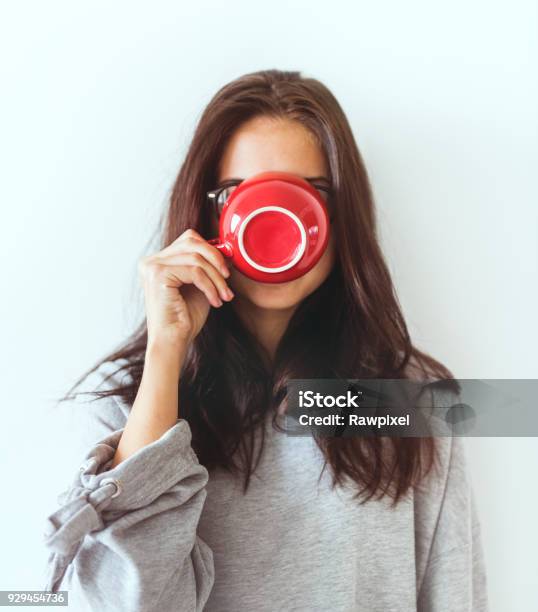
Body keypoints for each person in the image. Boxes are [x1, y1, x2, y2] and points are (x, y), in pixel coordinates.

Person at [43, 69, 488, 611]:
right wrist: (166, 352)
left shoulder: (412, 399)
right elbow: (118, 603)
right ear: (208, 213)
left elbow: (452, 596)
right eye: (240, 194)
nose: (277, 217)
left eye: (311, 193)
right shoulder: (127, 401)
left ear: (343, 215)